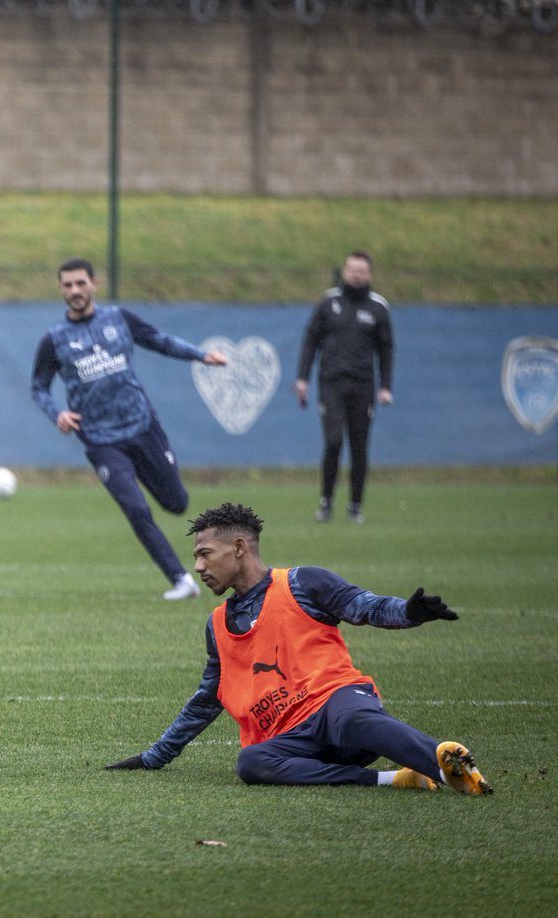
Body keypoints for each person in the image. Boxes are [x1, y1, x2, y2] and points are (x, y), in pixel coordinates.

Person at [106, 502, 492, 795]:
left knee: (354, 719)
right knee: (251, 763)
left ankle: (447, 764)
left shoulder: (302, 583)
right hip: (295, 743)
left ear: (239, 547)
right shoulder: (217, 626)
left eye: (204, 553)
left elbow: (366, 606)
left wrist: (408, 613)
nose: (198, 566)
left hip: (337, 704)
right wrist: (153, 757)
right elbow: (207, 701)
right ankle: (392, 779)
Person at [30, 258, 228, 601]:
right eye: (68, 285)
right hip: (100, 439)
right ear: (60, 289)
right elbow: (38, 387)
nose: (75, 291)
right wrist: (57, 413)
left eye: (80, 283)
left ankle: (180, 563)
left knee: (177, 503)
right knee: (136, 508)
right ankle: (181, 580)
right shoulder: (54, 339)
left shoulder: (118, 319)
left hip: (142, 426)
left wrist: (200, 355)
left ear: (94, 283)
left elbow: (160, 340)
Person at [294, 250, 394, 524]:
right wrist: (302, 378)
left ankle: (355, 506)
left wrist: (385, 386)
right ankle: (326, 501)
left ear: (369, 274)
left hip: (363, 385)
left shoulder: (378, 307)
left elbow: (386, 350)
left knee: (359, 446)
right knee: (334, 440)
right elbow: (310, 340)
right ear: (345, 271)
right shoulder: (329, 302)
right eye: (352, 269)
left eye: (361, 270)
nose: (356, 275)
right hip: (332, 383)